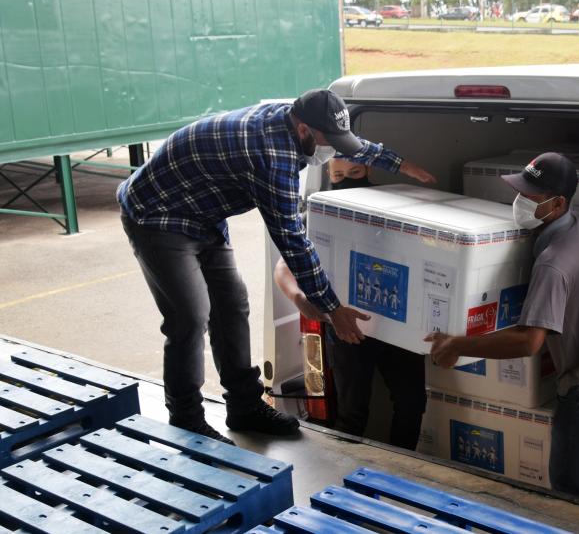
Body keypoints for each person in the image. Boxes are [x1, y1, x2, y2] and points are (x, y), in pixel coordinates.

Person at [118, 89, 434, 445]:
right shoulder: (272, 157)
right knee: (190, 317)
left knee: (233, 307)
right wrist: (332, 308)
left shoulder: (296, 115)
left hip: (204, 213)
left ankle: (244, 406)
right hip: (158, 216)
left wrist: (399, 163)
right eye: (327, 142)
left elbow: (352, 144)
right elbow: (293, 242)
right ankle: (186, 418)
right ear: (302, 131)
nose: (334, 150)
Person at [425, 152, 579, 504]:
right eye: (520, 192)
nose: (520, 202)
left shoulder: (555, 263)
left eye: (531, 197)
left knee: (569, 491)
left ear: (558, 204)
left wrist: (458, 344)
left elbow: (529, 342)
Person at [273, 158, 427, 450]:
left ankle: (404, 469)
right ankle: (345, 476)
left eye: (355, 173)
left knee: (412, 403)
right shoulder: (321, 211)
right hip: (346, 325)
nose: (347, 180)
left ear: (368, 169)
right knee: (351, 411)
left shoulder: (397, 203)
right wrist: (299, 298)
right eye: (339, 175)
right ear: (329, 174)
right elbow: (283, 267)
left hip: (399, 326)